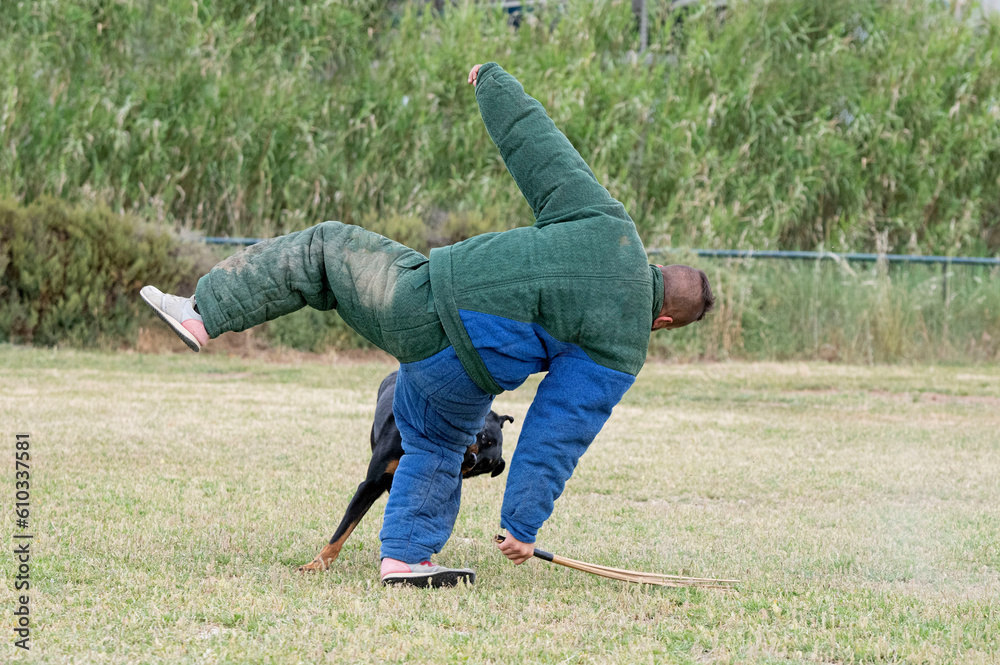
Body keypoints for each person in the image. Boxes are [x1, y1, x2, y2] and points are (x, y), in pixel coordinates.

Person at [141, 62, 714, 588]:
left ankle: (202, 312)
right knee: (436, 443)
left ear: (656, 269)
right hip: (466, 380)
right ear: (663, 320)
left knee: (323, 248)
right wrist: (521, 524)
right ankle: (407, 559)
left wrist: (492, 83)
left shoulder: (609, 225)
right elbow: (557, 432)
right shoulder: (622, 352)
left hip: (425, 305)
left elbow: (539, 150)